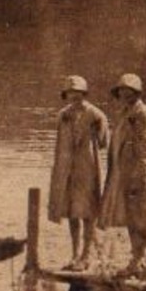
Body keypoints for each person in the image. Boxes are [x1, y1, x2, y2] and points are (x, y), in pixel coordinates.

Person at [99, 72, 146, 277]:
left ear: (136, 92)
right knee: (131, 218)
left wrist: (141, 175)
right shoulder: (124, 113)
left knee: (143, 219)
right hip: (124, 174)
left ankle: (144, 261)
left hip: (139, 176)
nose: (124, 94)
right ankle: (137, 260)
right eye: (121, 91)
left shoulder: (145, 114)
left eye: (129, 91)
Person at [48, 75, 109, 271]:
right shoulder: (62, 115)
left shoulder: (96, 115)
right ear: (66, 95)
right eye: (70, 93)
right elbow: (59, 143)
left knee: (88, 212)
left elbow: (103, 142)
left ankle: (86, 255)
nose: (74, 96)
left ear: (84, 94)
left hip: (87, 168)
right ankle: (74, 254)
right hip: (67, 170)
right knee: (71, 212)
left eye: (78, 93)